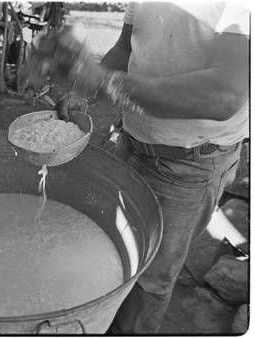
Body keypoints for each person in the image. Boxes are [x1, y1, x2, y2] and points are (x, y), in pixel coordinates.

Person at [27, 2, 249, 334]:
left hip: (190, 162)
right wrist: (83, 93)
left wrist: (104, 83)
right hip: (133, 139)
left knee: (150, 278)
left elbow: (223, 95)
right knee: (113, 249)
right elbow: (125, 48)